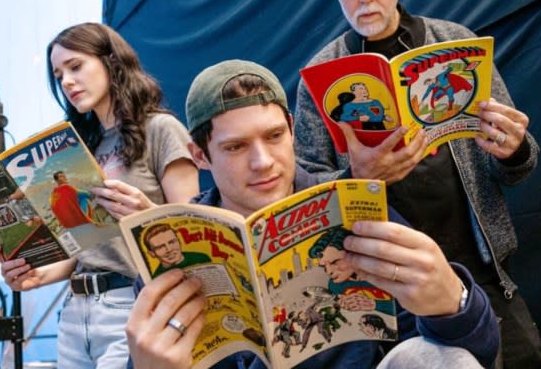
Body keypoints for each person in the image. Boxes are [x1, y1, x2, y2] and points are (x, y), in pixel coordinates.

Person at [292, 0, 541, 369]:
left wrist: (512, 150)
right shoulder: (318, 76)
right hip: (384, 295)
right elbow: (305, 195)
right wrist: (358, 176)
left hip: (482, 273)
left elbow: (518, 165)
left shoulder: (455, 41)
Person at [126, 59, 500, 369]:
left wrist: (454, 304)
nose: (263, 162)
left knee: (430, 356)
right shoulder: (170, 245)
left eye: (274, 136)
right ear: (200, 156)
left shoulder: (353, 206)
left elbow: (473, 351)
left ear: (292, 130)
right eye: (236, 147)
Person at [0, 22, 200, 369]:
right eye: (59, 75)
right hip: (76, 312)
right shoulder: (79, 147)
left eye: (75, 66)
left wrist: (145, 211)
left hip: (132, 304)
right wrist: (34, 275)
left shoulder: (161, 129)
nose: (67, 82)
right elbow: (85, 245)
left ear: (111, 62)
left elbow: (193, 233)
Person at [142, 223, 211, 277]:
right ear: (151, 253)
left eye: (172, 242)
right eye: (160, 247)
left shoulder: (201, 258)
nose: (169, 249)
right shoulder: (155, 279)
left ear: (179, 241)